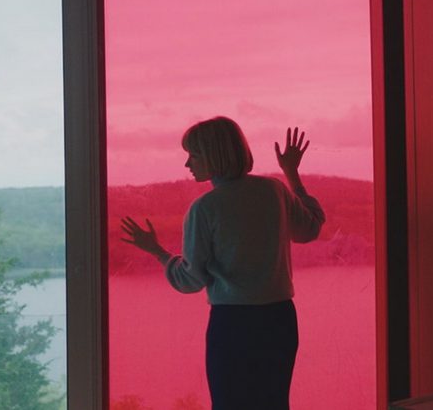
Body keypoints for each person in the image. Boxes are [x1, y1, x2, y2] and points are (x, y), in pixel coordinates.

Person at [119, 116, 326, 410]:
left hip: (233, 325)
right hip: (279, 320)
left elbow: (191, 280)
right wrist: (292, 174)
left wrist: (157, 251)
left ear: (214, 156)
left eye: (194, 155)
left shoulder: (205, 209)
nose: (187, 164)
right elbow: (310, 229)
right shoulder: (274, 191)